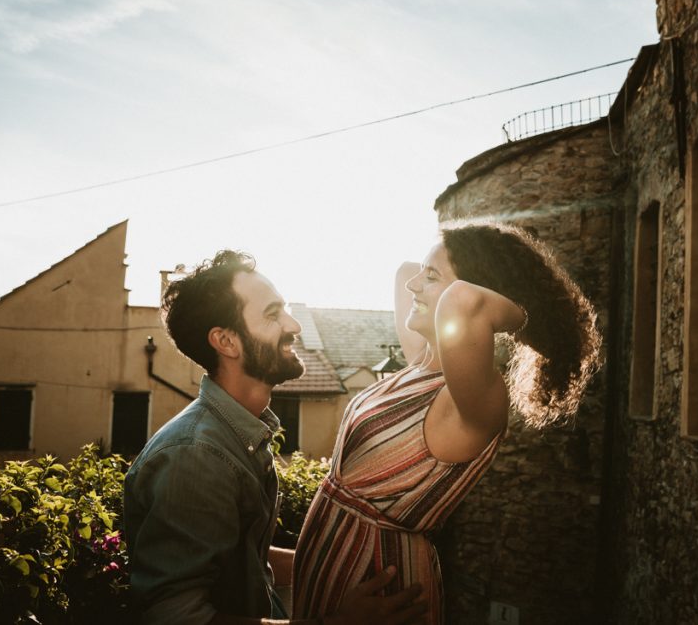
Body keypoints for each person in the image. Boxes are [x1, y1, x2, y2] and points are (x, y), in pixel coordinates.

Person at [291, 222, 602, 624]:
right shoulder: (421, 361)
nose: (414, 285)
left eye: (432, 277)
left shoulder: (474, 401)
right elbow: (406, 271)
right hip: (341, 570)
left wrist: (526, 312)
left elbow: (463, 301)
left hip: (380, 585)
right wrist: (435, 266)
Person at [123, 250, 427, 625]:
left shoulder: (239, 432)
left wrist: (347, 567)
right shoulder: (196, 454)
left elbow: (246, 559)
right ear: (226, 342)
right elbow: (175, 616)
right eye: (272, 314)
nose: (294, 325)